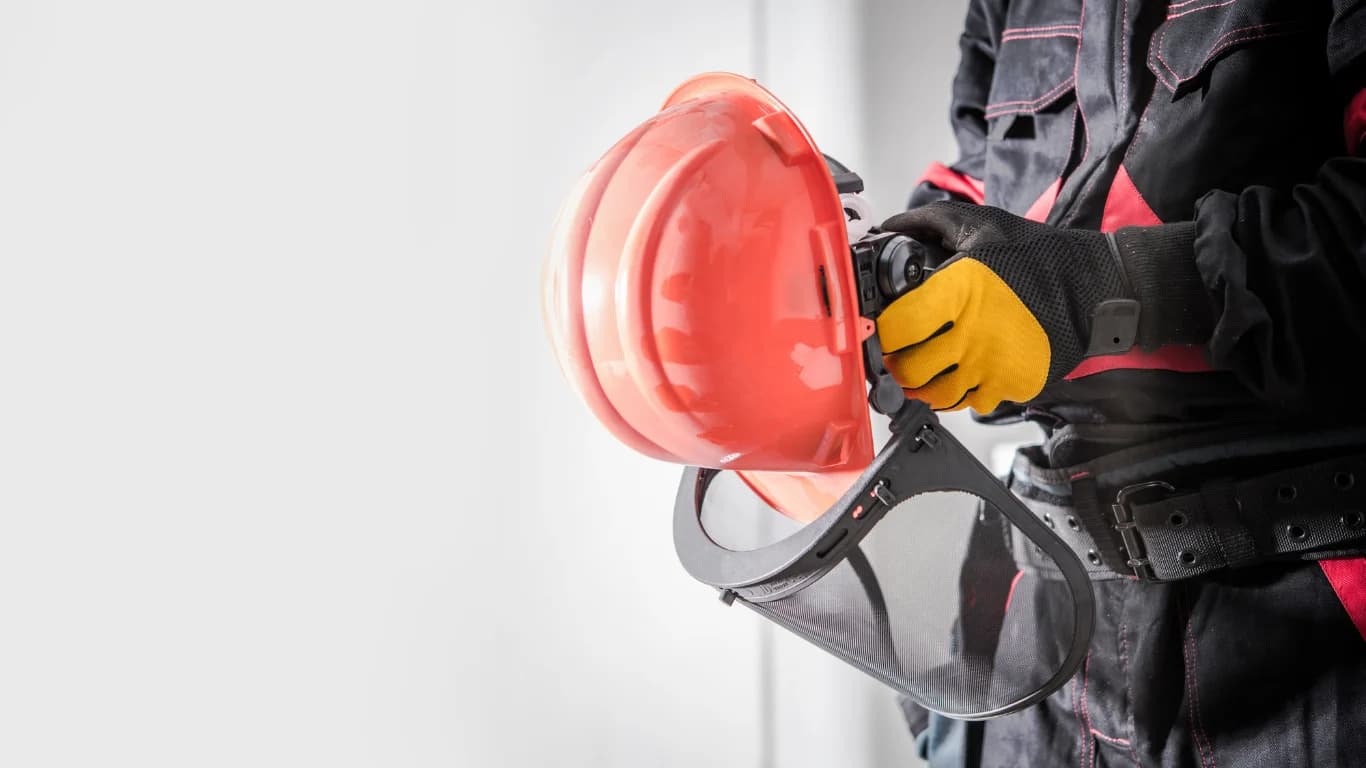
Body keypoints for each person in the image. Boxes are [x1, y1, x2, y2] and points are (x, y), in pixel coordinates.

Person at [877, 1, 1366, 766]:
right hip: (1047, 640)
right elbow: (970, 194)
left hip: (1305, 632)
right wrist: (881, 292)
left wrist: (1101, 292)